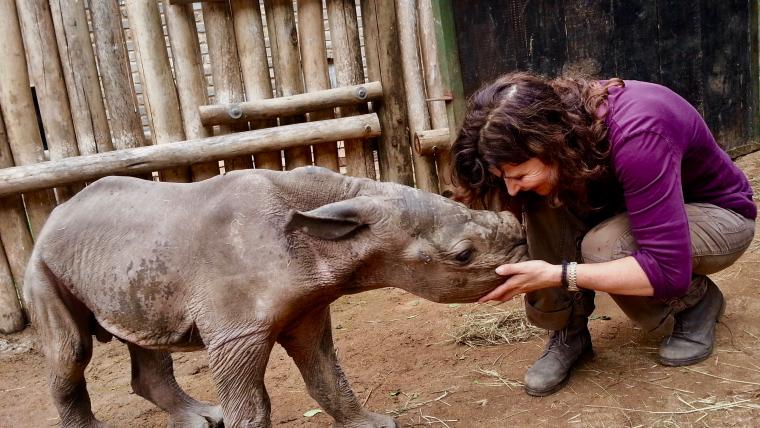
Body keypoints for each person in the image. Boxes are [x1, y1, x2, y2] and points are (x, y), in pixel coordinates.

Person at [450, 72, 756, 397]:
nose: (511, 186)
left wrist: (561, 274)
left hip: (719, 215)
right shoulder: (563, 129)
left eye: (519, 173)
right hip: (637, 207)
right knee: (537, 195)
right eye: (504, 176)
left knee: (607, 247)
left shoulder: (639, 135)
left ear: (550, 141)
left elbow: (666, 269)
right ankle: (568, 330)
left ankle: (694, 304)